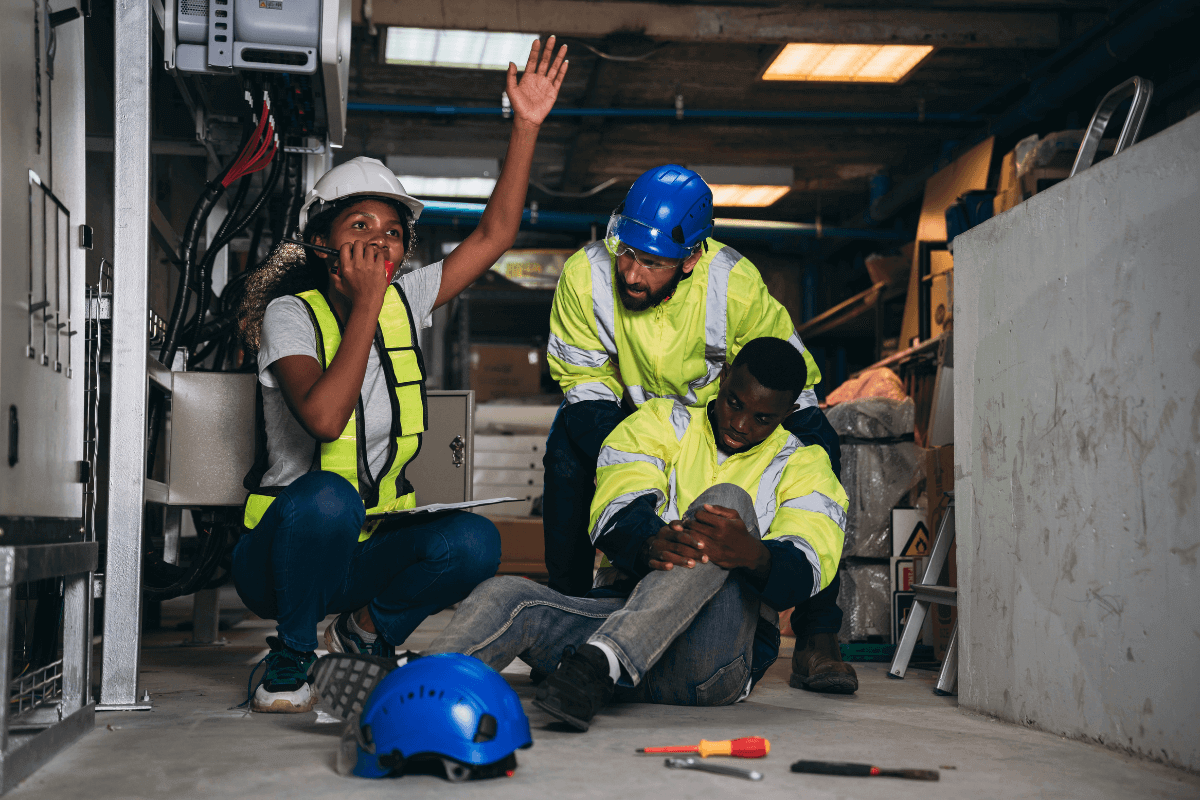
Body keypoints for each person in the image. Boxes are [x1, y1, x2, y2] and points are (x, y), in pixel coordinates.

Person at [231, 37, 569, 713]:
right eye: (361, 225)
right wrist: (362, 307)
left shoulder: (402, 298)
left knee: (473, 543)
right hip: (283, 558)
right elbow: (326, 419)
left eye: (392, 233)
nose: (381, 243)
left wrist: (526, 126)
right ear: (322, 242)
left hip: (362, 552)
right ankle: (292, 655)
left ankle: (363, 635)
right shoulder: (290, 316)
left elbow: (494, 236)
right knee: (329, 496)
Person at [543, 164, 857, 693]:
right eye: (627, 252)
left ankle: (817, 635)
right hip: (633, 420)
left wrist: (788, 449)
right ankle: (571, 608)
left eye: (653, 263)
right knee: (566, 451)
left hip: (716, 422)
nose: (632, 274)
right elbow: (584, 381)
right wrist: (638, 496)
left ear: (691, 258)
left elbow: (784, 379)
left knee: (821, 448)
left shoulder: (734, 283)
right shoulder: (584, 274)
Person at [426, 337, 847, 729]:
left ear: (788, 414)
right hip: (605, 629)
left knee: (728, 504)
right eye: (733, 403)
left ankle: (604, 661)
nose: (739, 423)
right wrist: (646, 540)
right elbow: (618, 495)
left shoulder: (806, 466)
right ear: (723, 377)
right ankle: (421, 687)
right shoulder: (662, 421)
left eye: (762, 418)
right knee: (505, 596)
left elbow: (809, 566)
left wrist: (752, 554)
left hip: (707, 665)